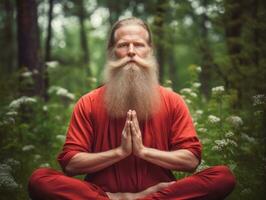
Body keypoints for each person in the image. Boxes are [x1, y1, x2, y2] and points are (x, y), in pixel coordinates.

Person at [28, 17, 236, 200]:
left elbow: (191, 160)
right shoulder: (88, 103)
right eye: (123, 45)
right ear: (112, 52)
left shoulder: (173, 101)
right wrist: (120, 152)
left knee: (222, 176)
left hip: (159, 192)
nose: (131, 52)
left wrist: (143, 151)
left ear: (149, 51)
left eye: (138, 45)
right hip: (103, 193)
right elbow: (71, 164)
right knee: (40, 179)